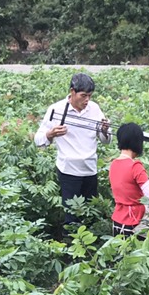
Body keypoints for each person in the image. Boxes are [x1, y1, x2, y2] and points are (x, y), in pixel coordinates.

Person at [34, 71, 111, 227]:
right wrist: (50, 134)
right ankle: (71, 245)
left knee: (91, 214)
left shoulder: (94, 109)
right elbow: (38, 140)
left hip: (90, 169)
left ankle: (90, 246)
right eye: (83, 95)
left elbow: (106, 140)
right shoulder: (56, 109)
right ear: (72, 92)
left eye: (90, 95)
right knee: (72, 217)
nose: (87, 100)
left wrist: (104, 130)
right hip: (68, 170)